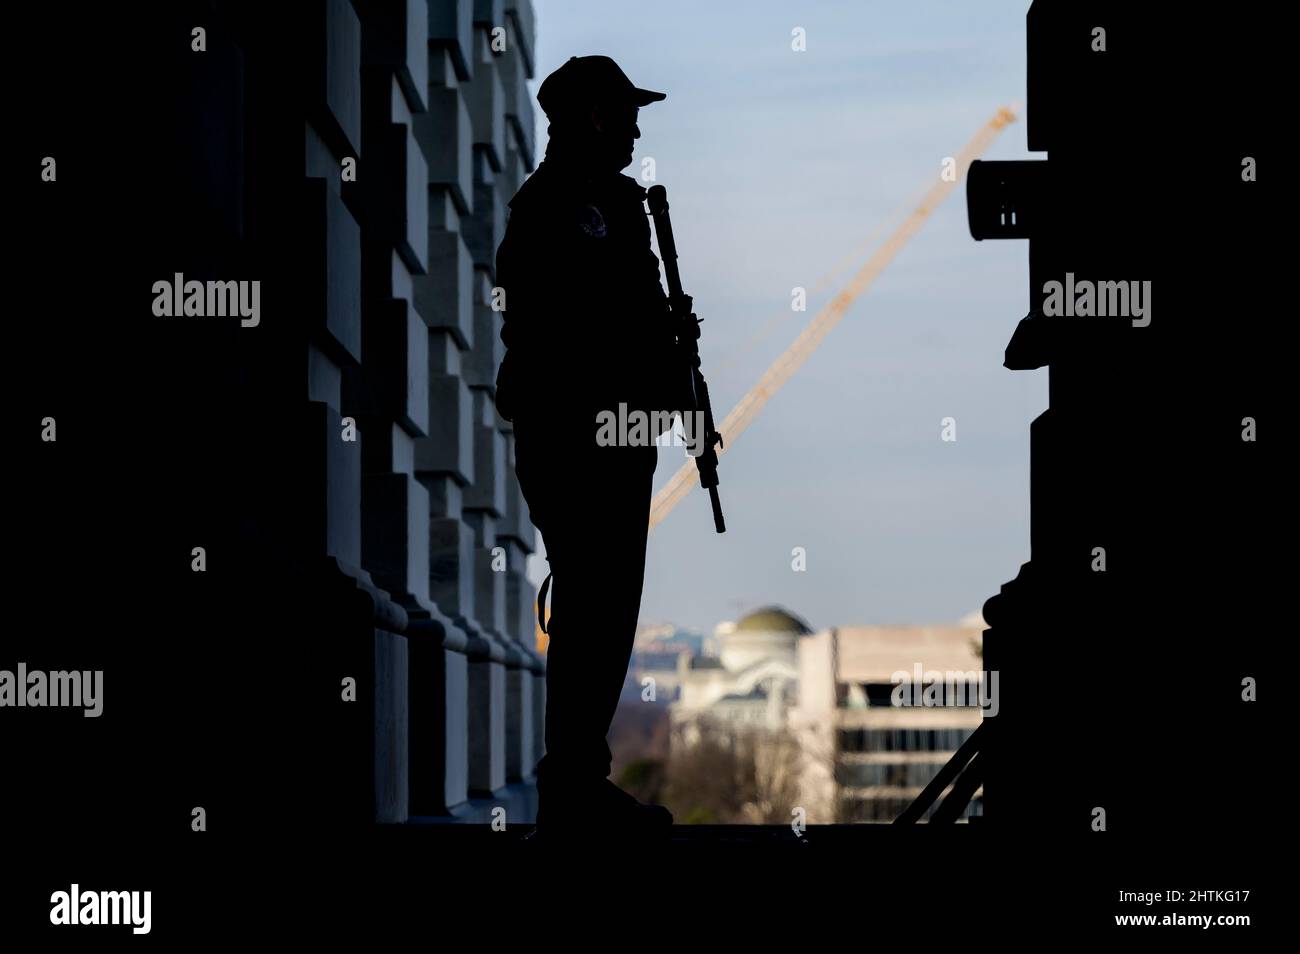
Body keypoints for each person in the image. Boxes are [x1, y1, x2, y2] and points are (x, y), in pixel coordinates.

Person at [494, 55, 686, 835]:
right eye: (625, 113)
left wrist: (668, 373)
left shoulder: (613, 201)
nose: (637, 128)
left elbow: (636, 313)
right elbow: (548, 323)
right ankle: (571, 788)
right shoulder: (552, 207)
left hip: (616, 429)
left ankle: (578, 780)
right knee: (593, 604)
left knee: (607, 607)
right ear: (596, 118)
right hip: (578, 432)